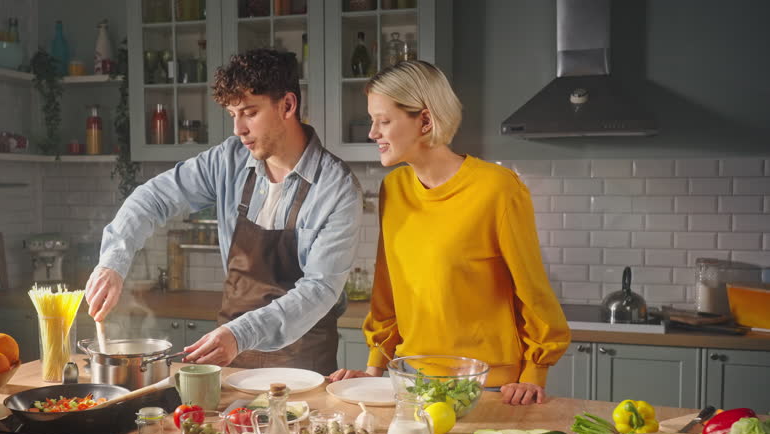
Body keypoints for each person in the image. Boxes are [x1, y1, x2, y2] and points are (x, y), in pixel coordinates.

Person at [85, 49, 363, 375]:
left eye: (249, 112)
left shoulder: (336, 187)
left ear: (288, 105)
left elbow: (319, 289)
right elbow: (151, 199)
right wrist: (112, 263)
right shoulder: (228, 160)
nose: (238, 129)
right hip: (230, 357)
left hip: (301, 365)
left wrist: (240, 334)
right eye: (233, 113)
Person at [327, 60, 570, 405]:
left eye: (384, 121)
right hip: (409, 378)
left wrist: (534, 374)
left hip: (488, 384)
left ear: (424, 120)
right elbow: (387, 287)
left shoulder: (498, 189)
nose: (372, 133)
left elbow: (532, 290)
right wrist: (374, 370)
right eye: (372, 121)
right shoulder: (393, 188)